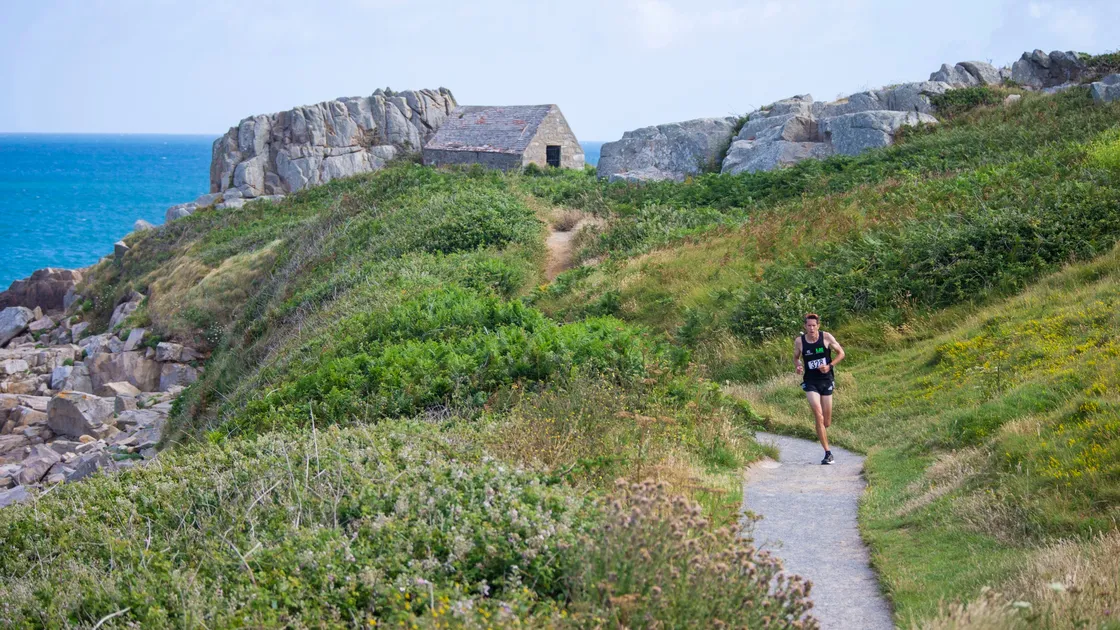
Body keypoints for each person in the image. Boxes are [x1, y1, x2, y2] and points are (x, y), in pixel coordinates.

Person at [793, 313, 845, 465]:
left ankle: (821, 429)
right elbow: (796, 358)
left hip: (826, 380)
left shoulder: (826, 337)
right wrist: (798, 366)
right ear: (805, 326)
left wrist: (829, 366)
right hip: (810, 382)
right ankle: (828, 453)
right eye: (808, 325)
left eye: (814, 325)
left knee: (826, 422)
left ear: (818, 326)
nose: (811, 328)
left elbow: (841, 353)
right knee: (818, 414)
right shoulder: (800, 341)